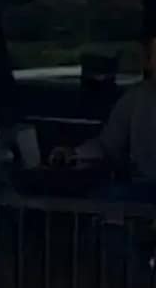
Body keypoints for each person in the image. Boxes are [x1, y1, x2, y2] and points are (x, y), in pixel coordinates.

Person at [57, 31, 156, 200]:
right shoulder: (138, 97)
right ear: (148, 63)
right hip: (144, 192)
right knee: (106, 196)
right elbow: (107, 146)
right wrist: (74, 154)